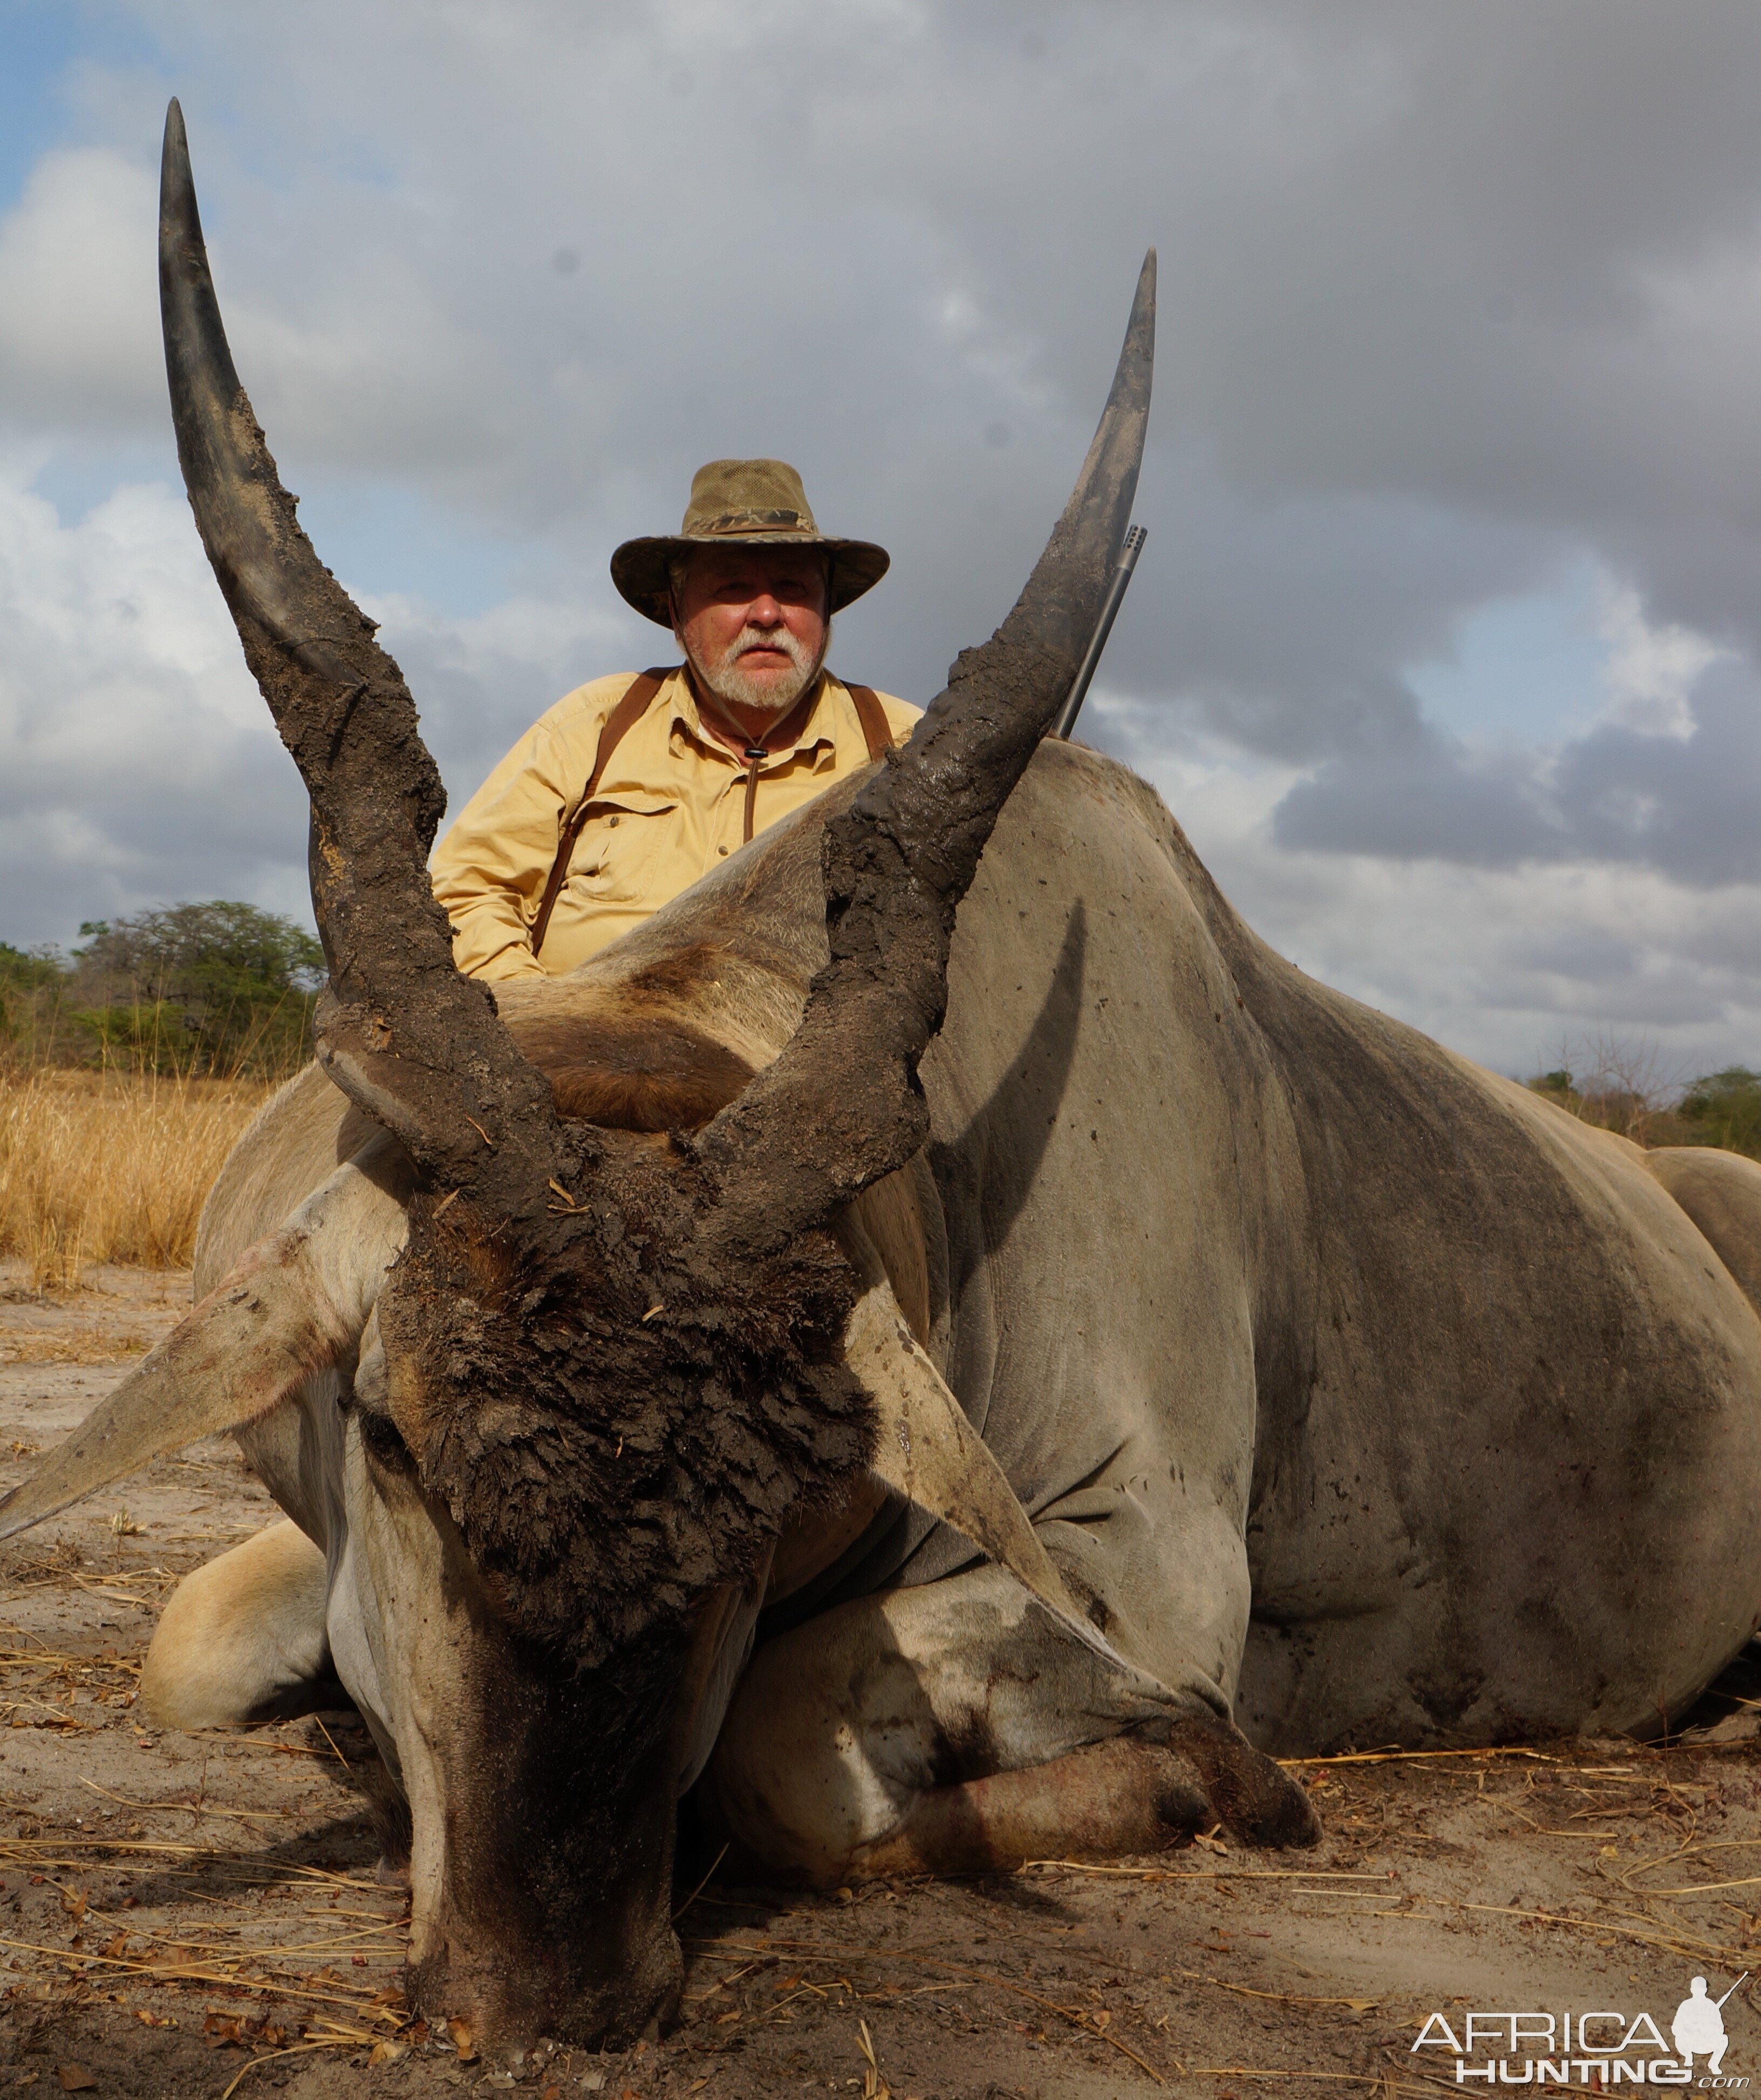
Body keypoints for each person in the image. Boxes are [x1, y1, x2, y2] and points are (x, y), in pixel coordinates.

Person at [431, 460, 919, 981]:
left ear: (827, 608)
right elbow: (464, 892)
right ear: (675, 609)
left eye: (793, 587)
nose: (767, 614)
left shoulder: (906, 747)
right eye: (732, 587)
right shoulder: (593, 727)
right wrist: (540, 1029)